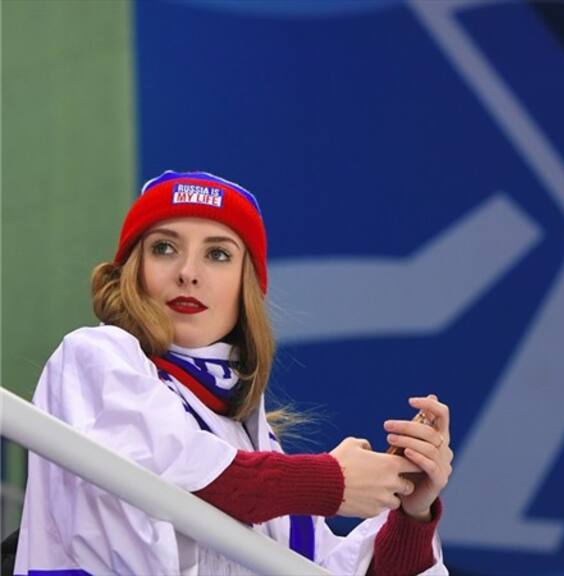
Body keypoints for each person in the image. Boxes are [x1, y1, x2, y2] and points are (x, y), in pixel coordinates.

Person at [12, 171, 453, 575]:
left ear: (247, 285)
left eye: (218, 254)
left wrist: (411, 511)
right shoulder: (96, 355)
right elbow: (176, 471)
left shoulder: (256, 442)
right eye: (164, 248)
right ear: (133, 271)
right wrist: (332, 480)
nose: (188, 273)